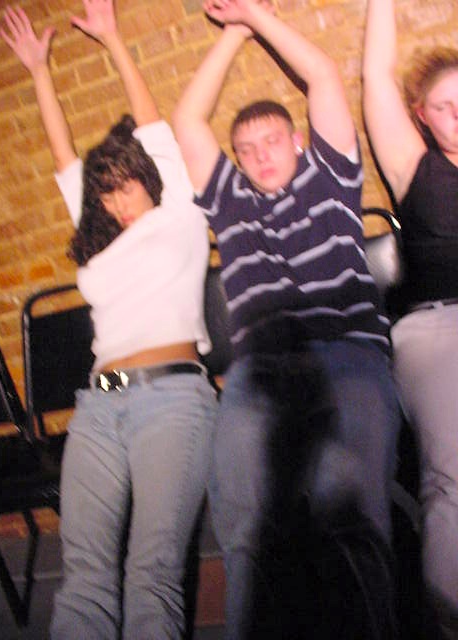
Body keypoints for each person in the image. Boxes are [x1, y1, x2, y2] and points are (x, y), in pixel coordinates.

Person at [173, 0, 402, 637]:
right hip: (260, 370)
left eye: (273, 141)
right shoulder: (230, 200)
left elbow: (323, 77)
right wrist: (232, 35)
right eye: (247, 149)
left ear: (297, 141)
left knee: (348, 513)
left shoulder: (331, 178)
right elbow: (187, 120)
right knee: (246, 525)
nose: (261, 156)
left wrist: (256, 16)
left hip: (346, 351)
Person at [0, 2, 218, 638]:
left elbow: (152, 128)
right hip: (100, 399)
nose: (117, 200)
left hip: (172, 397)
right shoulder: (98, 236)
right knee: (85, 575)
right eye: (106, 191)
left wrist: (114, 40)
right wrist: (39, 71)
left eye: (126, 185)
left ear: (149, 178)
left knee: (151, 572)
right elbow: (63, 157)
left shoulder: (179, 213)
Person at [363, 0, 458, 637]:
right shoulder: (417, 168)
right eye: (444, 106)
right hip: (439, 328)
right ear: (422, 116)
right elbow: (375, 75)